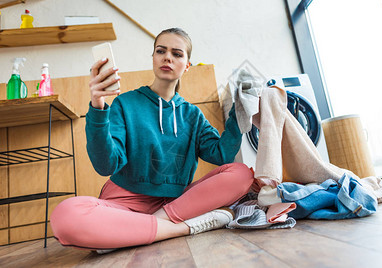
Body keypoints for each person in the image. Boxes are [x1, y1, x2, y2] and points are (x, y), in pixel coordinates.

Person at [50, 28, 254, 253]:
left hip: (175, 205)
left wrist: (238, 111)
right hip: (122, 205)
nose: (168, 57)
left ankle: (139, 231)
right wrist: (98, 106)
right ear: (154, 58)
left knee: (242, 173)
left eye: (177, 54)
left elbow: (222, 155)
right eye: (161, 51)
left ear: (187, 65)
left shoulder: (192, 115)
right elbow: (105, 165)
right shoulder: (124, 104)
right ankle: (183, 228)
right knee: (66, 215)